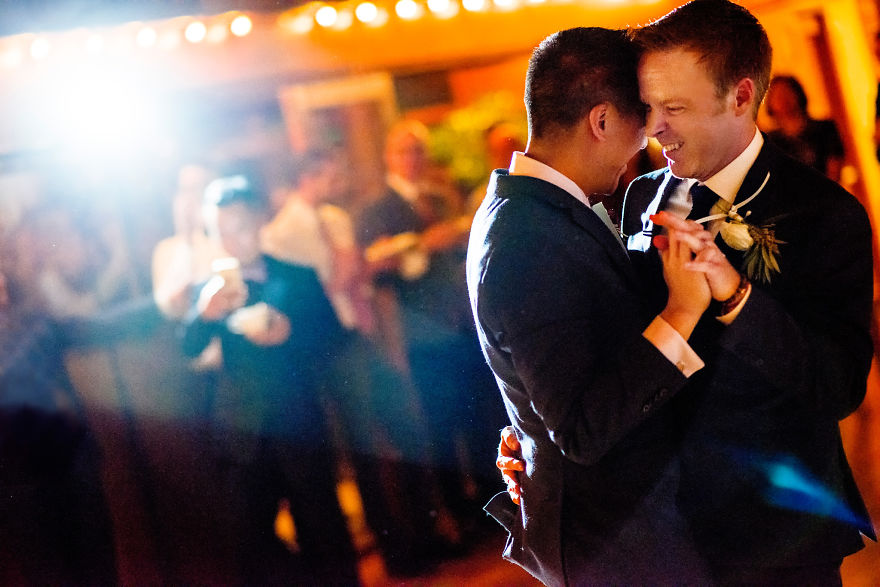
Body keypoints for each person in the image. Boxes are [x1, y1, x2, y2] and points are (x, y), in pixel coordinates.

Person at [500, 1, 876, 584]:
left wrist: (737, 298)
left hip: (776, 535)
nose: (653, 129)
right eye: (648, 107)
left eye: (674, 108)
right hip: (661, 536)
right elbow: (612, 341)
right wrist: (537, 425)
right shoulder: (642, 194)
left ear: (741, 97)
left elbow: (838, 388)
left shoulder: (825, 215)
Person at [468, 26, 716, 585]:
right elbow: (580, 429)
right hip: (615, 543)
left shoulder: (531, 209)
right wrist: (680, 312)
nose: (647, 144)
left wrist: (527, 432)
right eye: (641, 124)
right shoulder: (527, 238)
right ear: (601, 121)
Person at [180, 176, 359, 585]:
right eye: (219, 232)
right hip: (240, 428)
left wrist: (290, 331)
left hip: (299, 421)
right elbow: (188, 347)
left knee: (324, 531)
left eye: (239, 228)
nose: (231, 241)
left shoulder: (297, 276)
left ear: (258, 222)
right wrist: (203, 314)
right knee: (249, 541)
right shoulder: (208, 289)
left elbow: (333, 342)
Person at [764, 75, 844, 182]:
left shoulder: (825, 129)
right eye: (777, 96)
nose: (783, 99)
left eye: (786, 92)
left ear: (797, 94)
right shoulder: (769, 142)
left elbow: (834, 168)